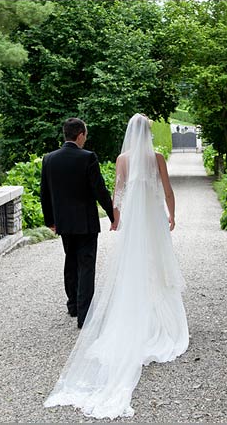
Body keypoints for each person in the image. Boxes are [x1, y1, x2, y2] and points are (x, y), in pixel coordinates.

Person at [44, 113, 189, 419]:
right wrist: (172, 215)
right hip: (152, 220)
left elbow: (117, 192)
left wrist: (117, 217)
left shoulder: (121, 158)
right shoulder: (158, 156)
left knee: (125, 265)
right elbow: (167, 191)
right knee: (157, 263)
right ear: (147, 133)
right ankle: (156, 318)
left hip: (134, 221)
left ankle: (94, 308)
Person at [40, 117, 115, 329]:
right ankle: (85, 316)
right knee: (86, 266)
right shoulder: (88, 157)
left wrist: (50, 220)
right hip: (85, 222)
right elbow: (99, 190)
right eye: (85, 135)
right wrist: (113, 215)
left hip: (64, 222)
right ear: (80, 134)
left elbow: (44, 193)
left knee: (70, 261)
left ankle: (73, 305)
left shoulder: (49, 159)